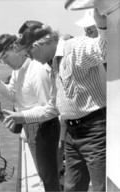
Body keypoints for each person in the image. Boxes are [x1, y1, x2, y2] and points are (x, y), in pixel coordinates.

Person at [9, 8, 107, 192]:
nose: (30, 58)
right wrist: (20, 116)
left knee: (102, 188)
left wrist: (101, 24)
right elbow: (53, 107)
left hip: (95, 131)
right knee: (72, 188)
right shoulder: (54, 64)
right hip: (72, 134)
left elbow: (105, 49)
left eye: (29, 53)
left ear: (37, 45)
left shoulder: (76, 47)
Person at [0, 32, 61, 191]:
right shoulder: (18, 70)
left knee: (48, 177)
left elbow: (49, 109)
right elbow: (13, 95)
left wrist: (21, 116)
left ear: (15, 48)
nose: (4, 62)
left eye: (5, 56)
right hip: (30, 127)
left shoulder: (38, 69)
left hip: (44, 128)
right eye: (1, 59)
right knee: (43, 174)